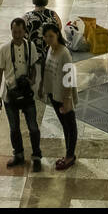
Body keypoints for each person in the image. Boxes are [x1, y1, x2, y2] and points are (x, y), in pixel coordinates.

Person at [0, 17, 42, 171]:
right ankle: (19, 155)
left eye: (20, 32)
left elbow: (34, 66)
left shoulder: (31, 46)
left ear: (24, 32)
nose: (17, 35)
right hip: (10, 95)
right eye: (14, 31)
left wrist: (32, 80)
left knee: (33, 127)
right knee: (14, 128)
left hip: (27, 93)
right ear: (11, 31)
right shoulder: (4, 49)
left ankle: (36, 156)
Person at [39, 22, 77, 170]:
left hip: (63, 96)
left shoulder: (64, 53)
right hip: (53, 93)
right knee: (65, 125)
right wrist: (43, 87)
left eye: (51, 36)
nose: (48, 39)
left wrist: (67, 100)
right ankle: (69, 154)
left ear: (57, 35)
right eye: (46, 36)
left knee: (70, 126)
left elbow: (69, 77)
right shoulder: (50, 49)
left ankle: (70, 156)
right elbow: (47, 70)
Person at [24, 0, 61, 66]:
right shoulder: (53, 14)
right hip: (50, 55)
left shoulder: (27, 17)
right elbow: (59, 30)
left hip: (32, 57)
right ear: (46, 0)